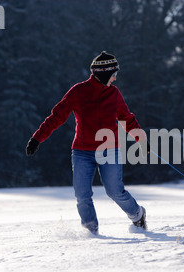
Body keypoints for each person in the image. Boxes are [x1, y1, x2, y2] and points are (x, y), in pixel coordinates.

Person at [26, 51, 147, 234]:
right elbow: (57, 117)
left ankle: (137, 215)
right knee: (82, 196)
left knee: (114, 191)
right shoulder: (78, 92)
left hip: (109, 149)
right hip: (82, 152)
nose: (115, 79)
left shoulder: (114, 94)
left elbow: (127, 119)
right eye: (113, 74)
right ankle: (91, 233)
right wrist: (37, 138)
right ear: (104, 73)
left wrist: (141, 139)